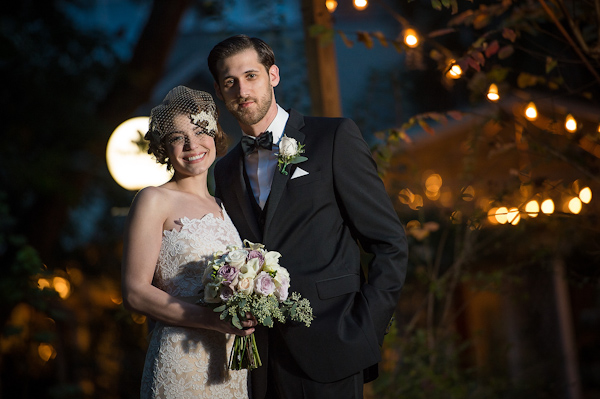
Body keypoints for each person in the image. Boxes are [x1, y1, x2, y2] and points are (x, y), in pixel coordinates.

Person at [207, 35, 408, 399]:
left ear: (274, 75)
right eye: (229, 82)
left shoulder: (332, 138)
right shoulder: (223, 170)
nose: (242, 89)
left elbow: (389, 243)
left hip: (332, 344)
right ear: (220, 93)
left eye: (251, 75)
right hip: (260, 361)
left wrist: (365, 326)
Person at [121, 86, 255, 399]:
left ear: (215, 135)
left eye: (200, 131)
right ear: (164, 147)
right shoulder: (153, 200)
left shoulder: (226, 207)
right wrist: (213, 321)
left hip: (230, 367)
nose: (192, 144)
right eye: (178, 137)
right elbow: (134, 293)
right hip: (181, 361)